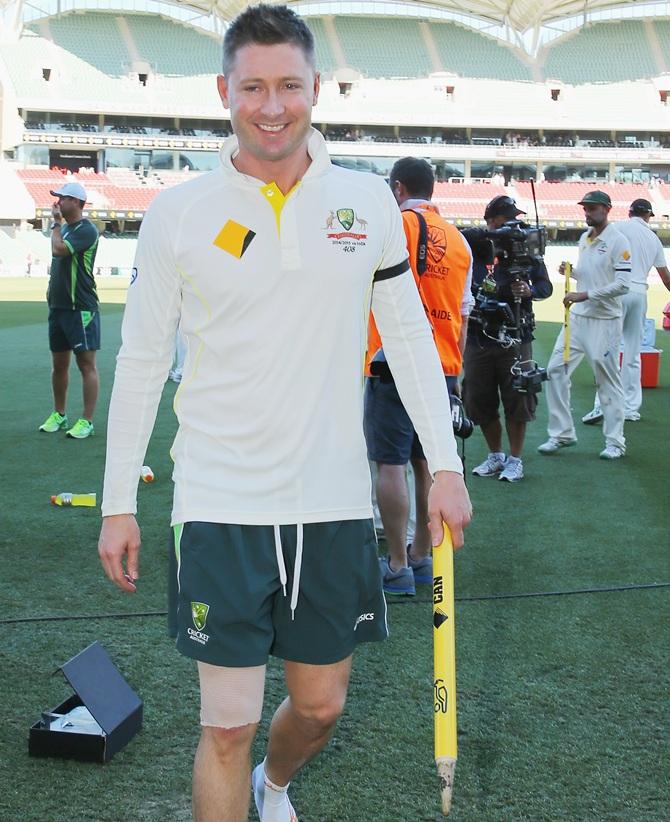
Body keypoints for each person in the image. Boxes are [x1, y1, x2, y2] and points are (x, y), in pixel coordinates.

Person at [97, 6, 472, 822]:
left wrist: (445, 464)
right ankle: (248, 777)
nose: (273, 106)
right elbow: (139, 362)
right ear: (224, 90)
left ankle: (277, 785)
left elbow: (408, 337)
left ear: (315, 90)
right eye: (255, 86)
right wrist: (117, 500)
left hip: (333, 503)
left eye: (290, 86)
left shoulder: (367, 201)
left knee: (321, 707)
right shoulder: (179, 213)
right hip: (218, 503)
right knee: (225, 727)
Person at [364, 157, 473, 596]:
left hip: (392, 361)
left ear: (398, 188)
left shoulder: (394, 227)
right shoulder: (461, 242)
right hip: (444, 364)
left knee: (390, 463)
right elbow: (463, 315)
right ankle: (424, 559)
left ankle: (395, 564)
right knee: (430, 462)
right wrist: (455, 373)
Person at [462, 195, 553, 482]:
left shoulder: (525, 249)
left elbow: (545, 286)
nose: (514, 224)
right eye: (506, 219)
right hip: (478, 334)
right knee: (478, 398)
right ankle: (495, 455)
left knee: (519, 395)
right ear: (491, 220)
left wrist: (529, 290)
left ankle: (515, 459)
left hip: (515, 334)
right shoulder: (476, 244)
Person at [539, 190, 631, 460]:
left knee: (607, 381)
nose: (587, 213)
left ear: (606, 209)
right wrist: (573, 273)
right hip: (578, 320)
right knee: (555, 371)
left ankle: (615, 442)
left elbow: (623, 284)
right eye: (585, 209)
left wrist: (585, 295)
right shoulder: (584, 238)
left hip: (604, 322)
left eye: (592, 208)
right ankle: (562, 433)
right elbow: (592, 275)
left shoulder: (618, 240)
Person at [582, 198, 670, 424]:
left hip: (617, 292)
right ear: (648, 215)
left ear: (630, 212)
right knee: (633, 352)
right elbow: (666, 278)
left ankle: (600, 405)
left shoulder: (617, 229)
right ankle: (630, 408)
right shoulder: (653, 238)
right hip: (639, 294)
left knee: (608, 349)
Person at [38, 181, 100, 439]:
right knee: (59, 365)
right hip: (60, 308)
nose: (58, 202)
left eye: (62, 198)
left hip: (80, 308)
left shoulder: (86, 230)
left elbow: (58, 249)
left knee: (86, 364)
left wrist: (55, 224)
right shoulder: (66, 229)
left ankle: (86, 420)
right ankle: (60, 414)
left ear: (76, 202)